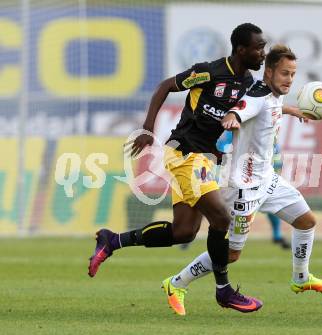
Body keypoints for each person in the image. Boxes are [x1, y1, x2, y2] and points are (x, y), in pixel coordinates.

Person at [87, 23, 267, 315]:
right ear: (241, 49)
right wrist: (148, 129)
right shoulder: (209, 71)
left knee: (184, 232)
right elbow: (165, 86)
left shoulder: (248, 85)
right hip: (184, 153)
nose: (262, 52)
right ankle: (224, 291)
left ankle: (113, 240)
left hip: (203, 159)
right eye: (258, 47)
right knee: (221, 218)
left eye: (264, 47)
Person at [162, 44, 322, 315]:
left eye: (292, 74)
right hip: (244, 189)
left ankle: (300, 279)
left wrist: (295, 111)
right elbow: (242, 109)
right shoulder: (255, 97)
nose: (289, 79)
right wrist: (232, 118)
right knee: (230, 254)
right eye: (284, 74)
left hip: (269, 180)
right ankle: (176, 283)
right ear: (268, 72)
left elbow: (273, 107)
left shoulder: (273, 94)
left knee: (307, 222)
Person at [217, 132, 289, 249]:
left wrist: (275, 173)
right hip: (234, 180)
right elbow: (221, 148)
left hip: (260, 179)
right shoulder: (235, 130)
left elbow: (276, 157)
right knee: (216, 206)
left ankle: (277, 235)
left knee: (270, 204)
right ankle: (198, 234)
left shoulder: (268, 133)